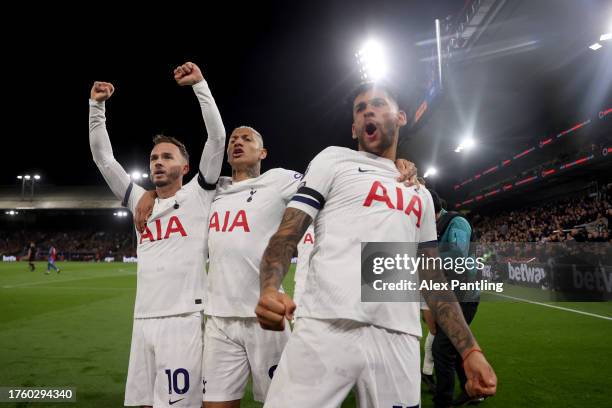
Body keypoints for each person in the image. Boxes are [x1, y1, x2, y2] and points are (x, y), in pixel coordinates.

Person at [255, 82, 497, 407]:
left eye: (379, 104)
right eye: (359, 108)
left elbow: (432, 277)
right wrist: (270, 287)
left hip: (398, 336)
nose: (368, 110)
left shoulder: (420, 194)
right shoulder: (333, 161)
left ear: (400, 117)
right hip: (325, 325)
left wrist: (470, 351)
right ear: (354, 128)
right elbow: (287, 234)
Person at [89, 61, 225, 408]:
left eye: (167, 157)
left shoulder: (198, 194)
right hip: (142, 319)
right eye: (153, 158)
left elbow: (217, 139)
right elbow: (105, 160)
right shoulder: (139, 200)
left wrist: (200, 86)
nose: (158, 163)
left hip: (183, 320)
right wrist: (97, 108)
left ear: (186, 166)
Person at [429, 190, 482, 408]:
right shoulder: (436, 225)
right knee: (454, 346)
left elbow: (458, 255)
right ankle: (474, 391)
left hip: (465, 296)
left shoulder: (457, 222)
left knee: (442, 349)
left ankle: (443, 402)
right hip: (451, 294)